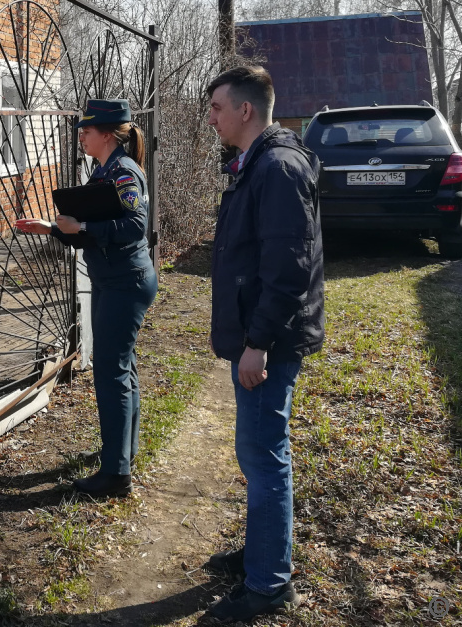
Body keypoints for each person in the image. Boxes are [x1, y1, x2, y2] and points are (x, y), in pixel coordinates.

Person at [203, 65, 324, 622]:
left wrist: (259, 343)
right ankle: (263, 553)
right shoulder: (257, 163)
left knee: (264, 455)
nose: (213, 117)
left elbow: (288, 268)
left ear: (245, 110)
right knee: (258, 451)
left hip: (266, 343)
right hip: (258, 336)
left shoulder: (276, 167)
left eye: (217, 108)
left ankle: (269, 584)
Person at [16, 98, 157, 498]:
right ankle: (120, 455)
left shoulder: (124, 172)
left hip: (123, 283)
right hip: (116, 279)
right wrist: (51, 228)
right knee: (121, 369)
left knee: (111, 373)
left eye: (87, 131)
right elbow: (92, 229)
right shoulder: (104, 169)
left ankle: (115, 475)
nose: (81, 136)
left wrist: (81, 223)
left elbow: (134, 227)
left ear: (108, 135)